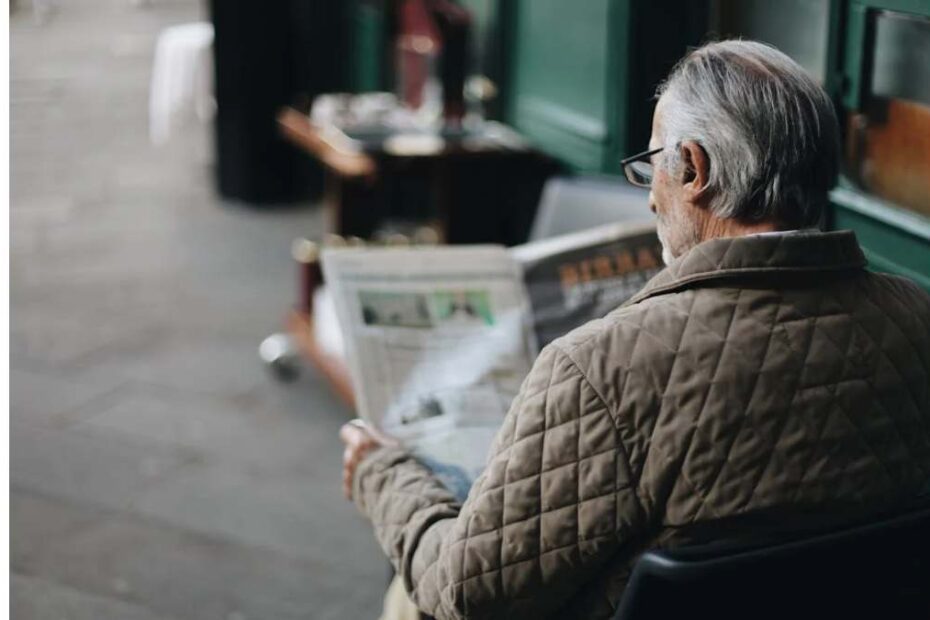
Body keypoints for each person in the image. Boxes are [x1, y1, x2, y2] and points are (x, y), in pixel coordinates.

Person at [339, 40, 930, 620]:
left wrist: (380, 472)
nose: (650, 198)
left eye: (652, 165)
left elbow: (464, 596)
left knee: (411, 595)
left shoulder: (601, 369)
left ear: (694, 169)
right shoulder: (916, 317)